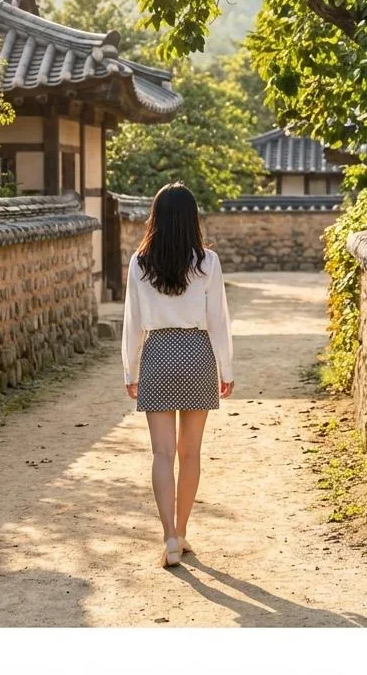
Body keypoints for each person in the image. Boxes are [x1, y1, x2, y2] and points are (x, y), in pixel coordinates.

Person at [121, 182, 234, 568]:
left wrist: (130, 368)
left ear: (155, 217)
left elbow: (132, 322)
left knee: (161, 452)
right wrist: (227, 367)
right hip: (197, 353)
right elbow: (219, 319)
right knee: (190, 453)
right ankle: (182, 532)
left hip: (157, 353)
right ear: (192, 219)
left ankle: (168, 536)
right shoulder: (207, 261)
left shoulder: (139, 262)